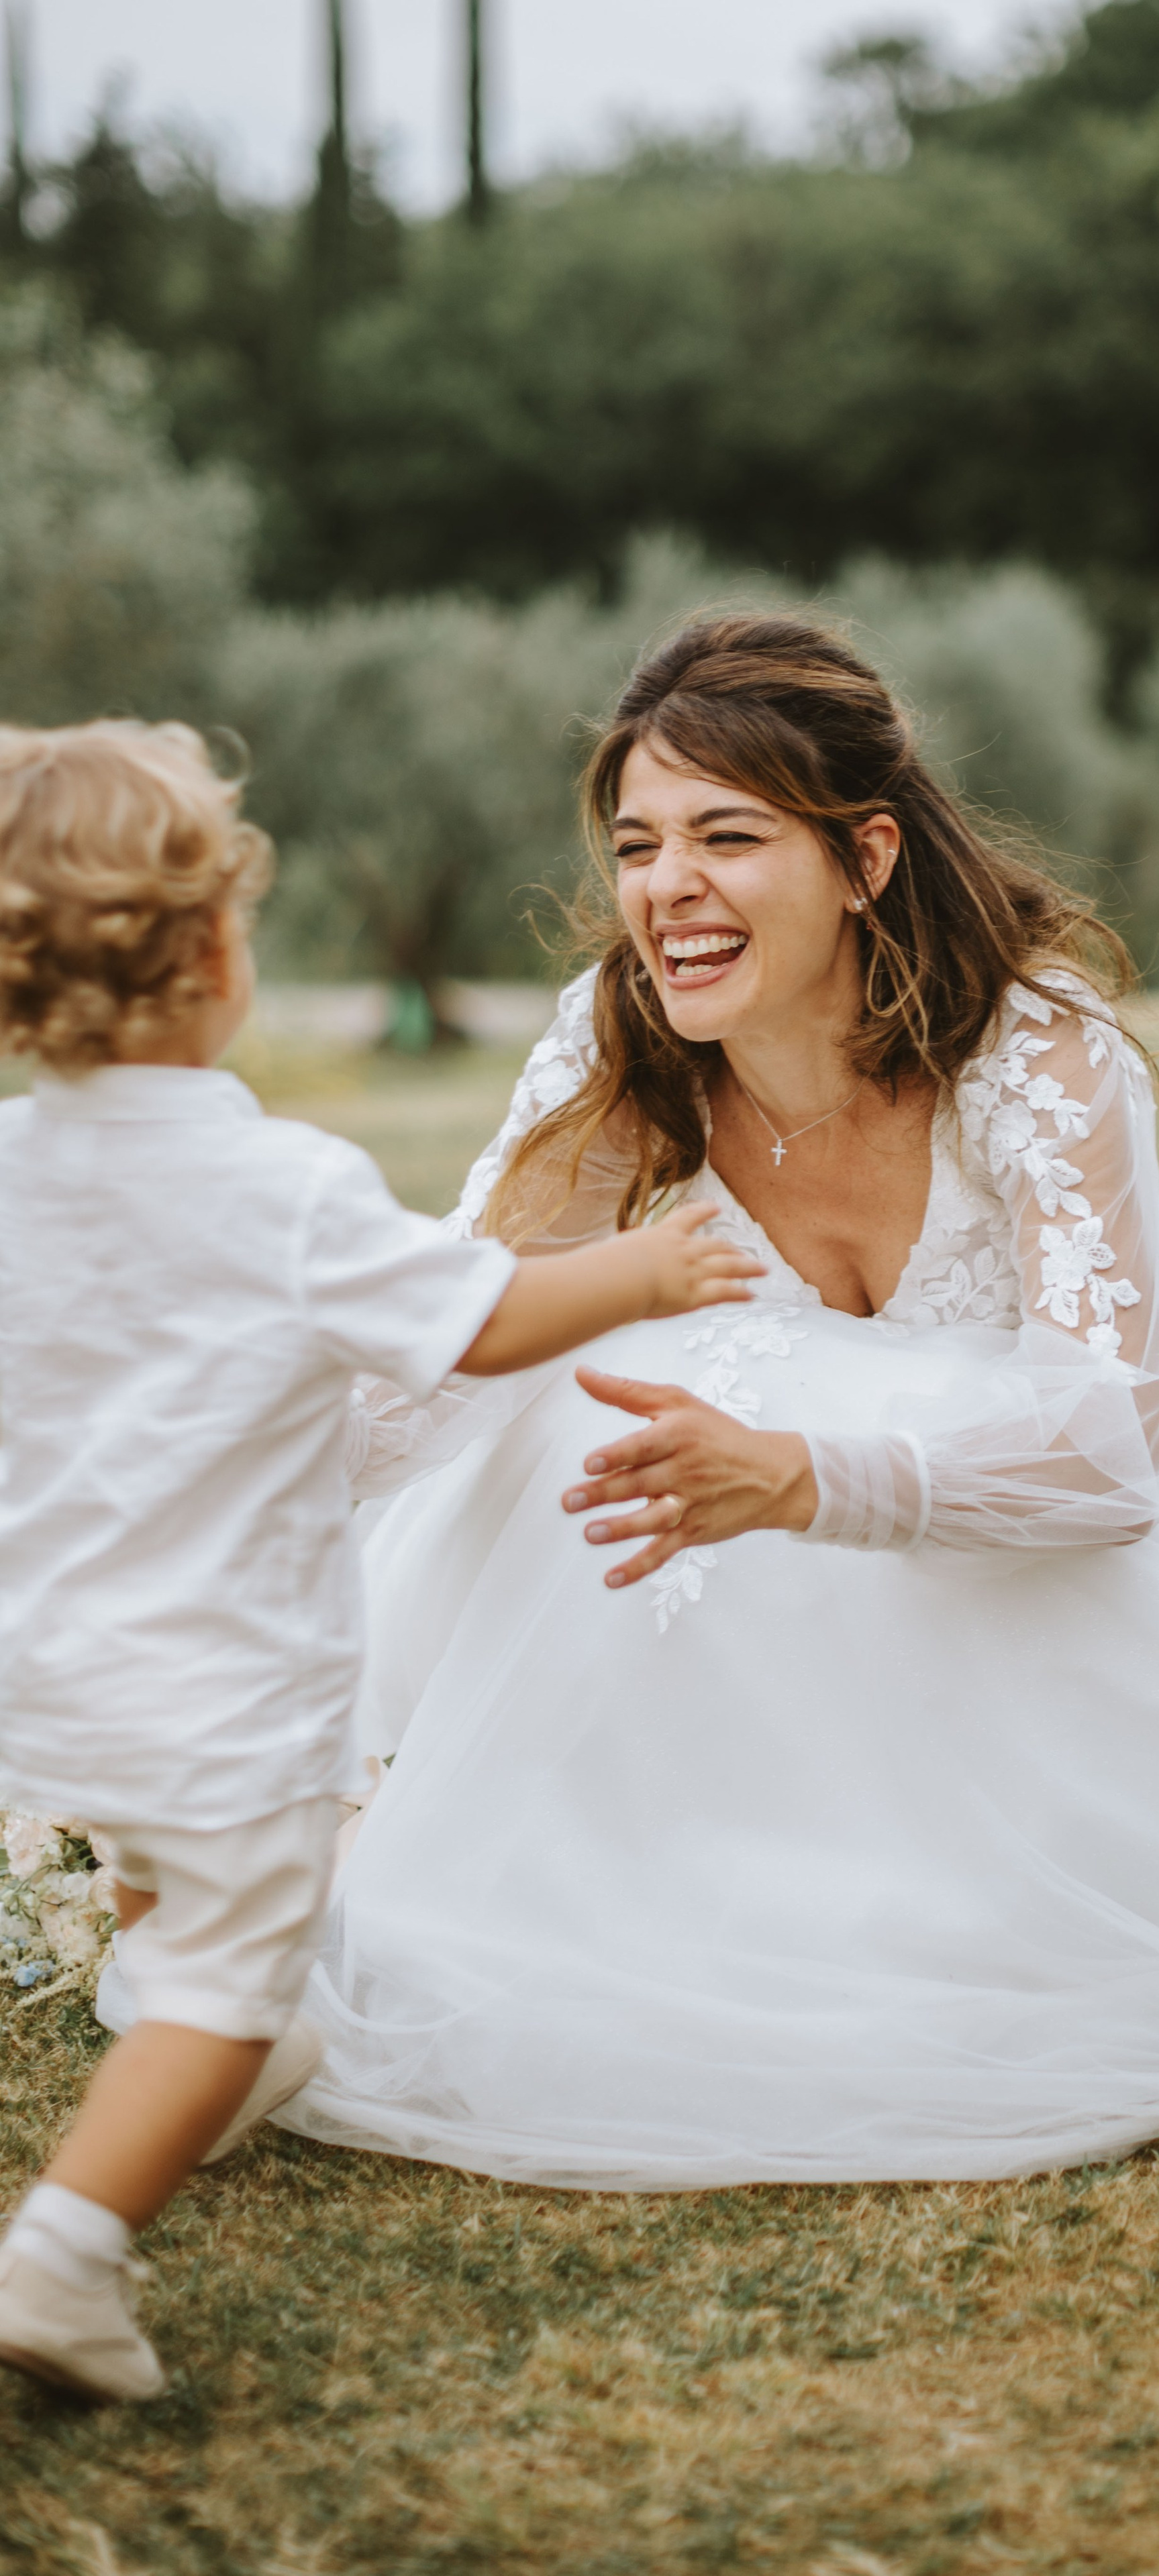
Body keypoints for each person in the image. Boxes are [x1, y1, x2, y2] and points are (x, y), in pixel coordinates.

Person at [252, 615, 1159, 2189]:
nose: (666, 888)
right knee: (611, 1393)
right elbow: (469, 1347)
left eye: (726, 837)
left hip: (1072, 1513)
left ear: (864, 855)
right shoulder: (619, 1046)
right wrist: (251, 1480)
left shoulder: (1037, 1052)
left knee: (737, 1401)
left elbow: (1112, 1451)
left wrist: (810, 1479)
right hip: (760, 1558)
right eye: (636, 845)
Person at [0, 721, 760, 2402]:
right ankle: (63, 2247)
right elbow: (474, 1326)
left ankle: (186, 2052)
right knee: (234, 1960)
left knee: (159, 1891)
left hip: (52, 1661)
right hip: (225, 1668)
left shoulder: (10, 1170)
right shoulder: (276, 1185)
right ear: (212, 955)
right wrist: (635, 1272)